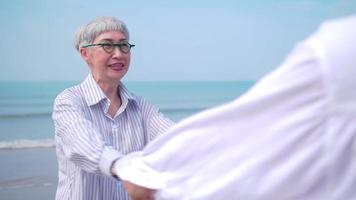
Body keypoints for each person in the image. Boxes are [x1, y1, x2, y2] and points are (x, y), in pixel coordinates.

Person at [116, 15, 356, 200]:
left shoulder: (340, 50)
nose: (118, 55)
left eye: (124, 46)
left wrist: (148, 169)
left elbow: (245, 132)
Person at [52, 16, 174, 200]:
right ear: (85, 53)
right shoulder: (69, 101)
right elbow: (84, 146)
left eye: (124, 45)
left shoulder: (140, 106)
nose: (118, 54)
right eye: (107, 45)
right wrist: (121, 167)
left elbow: (173, 137)